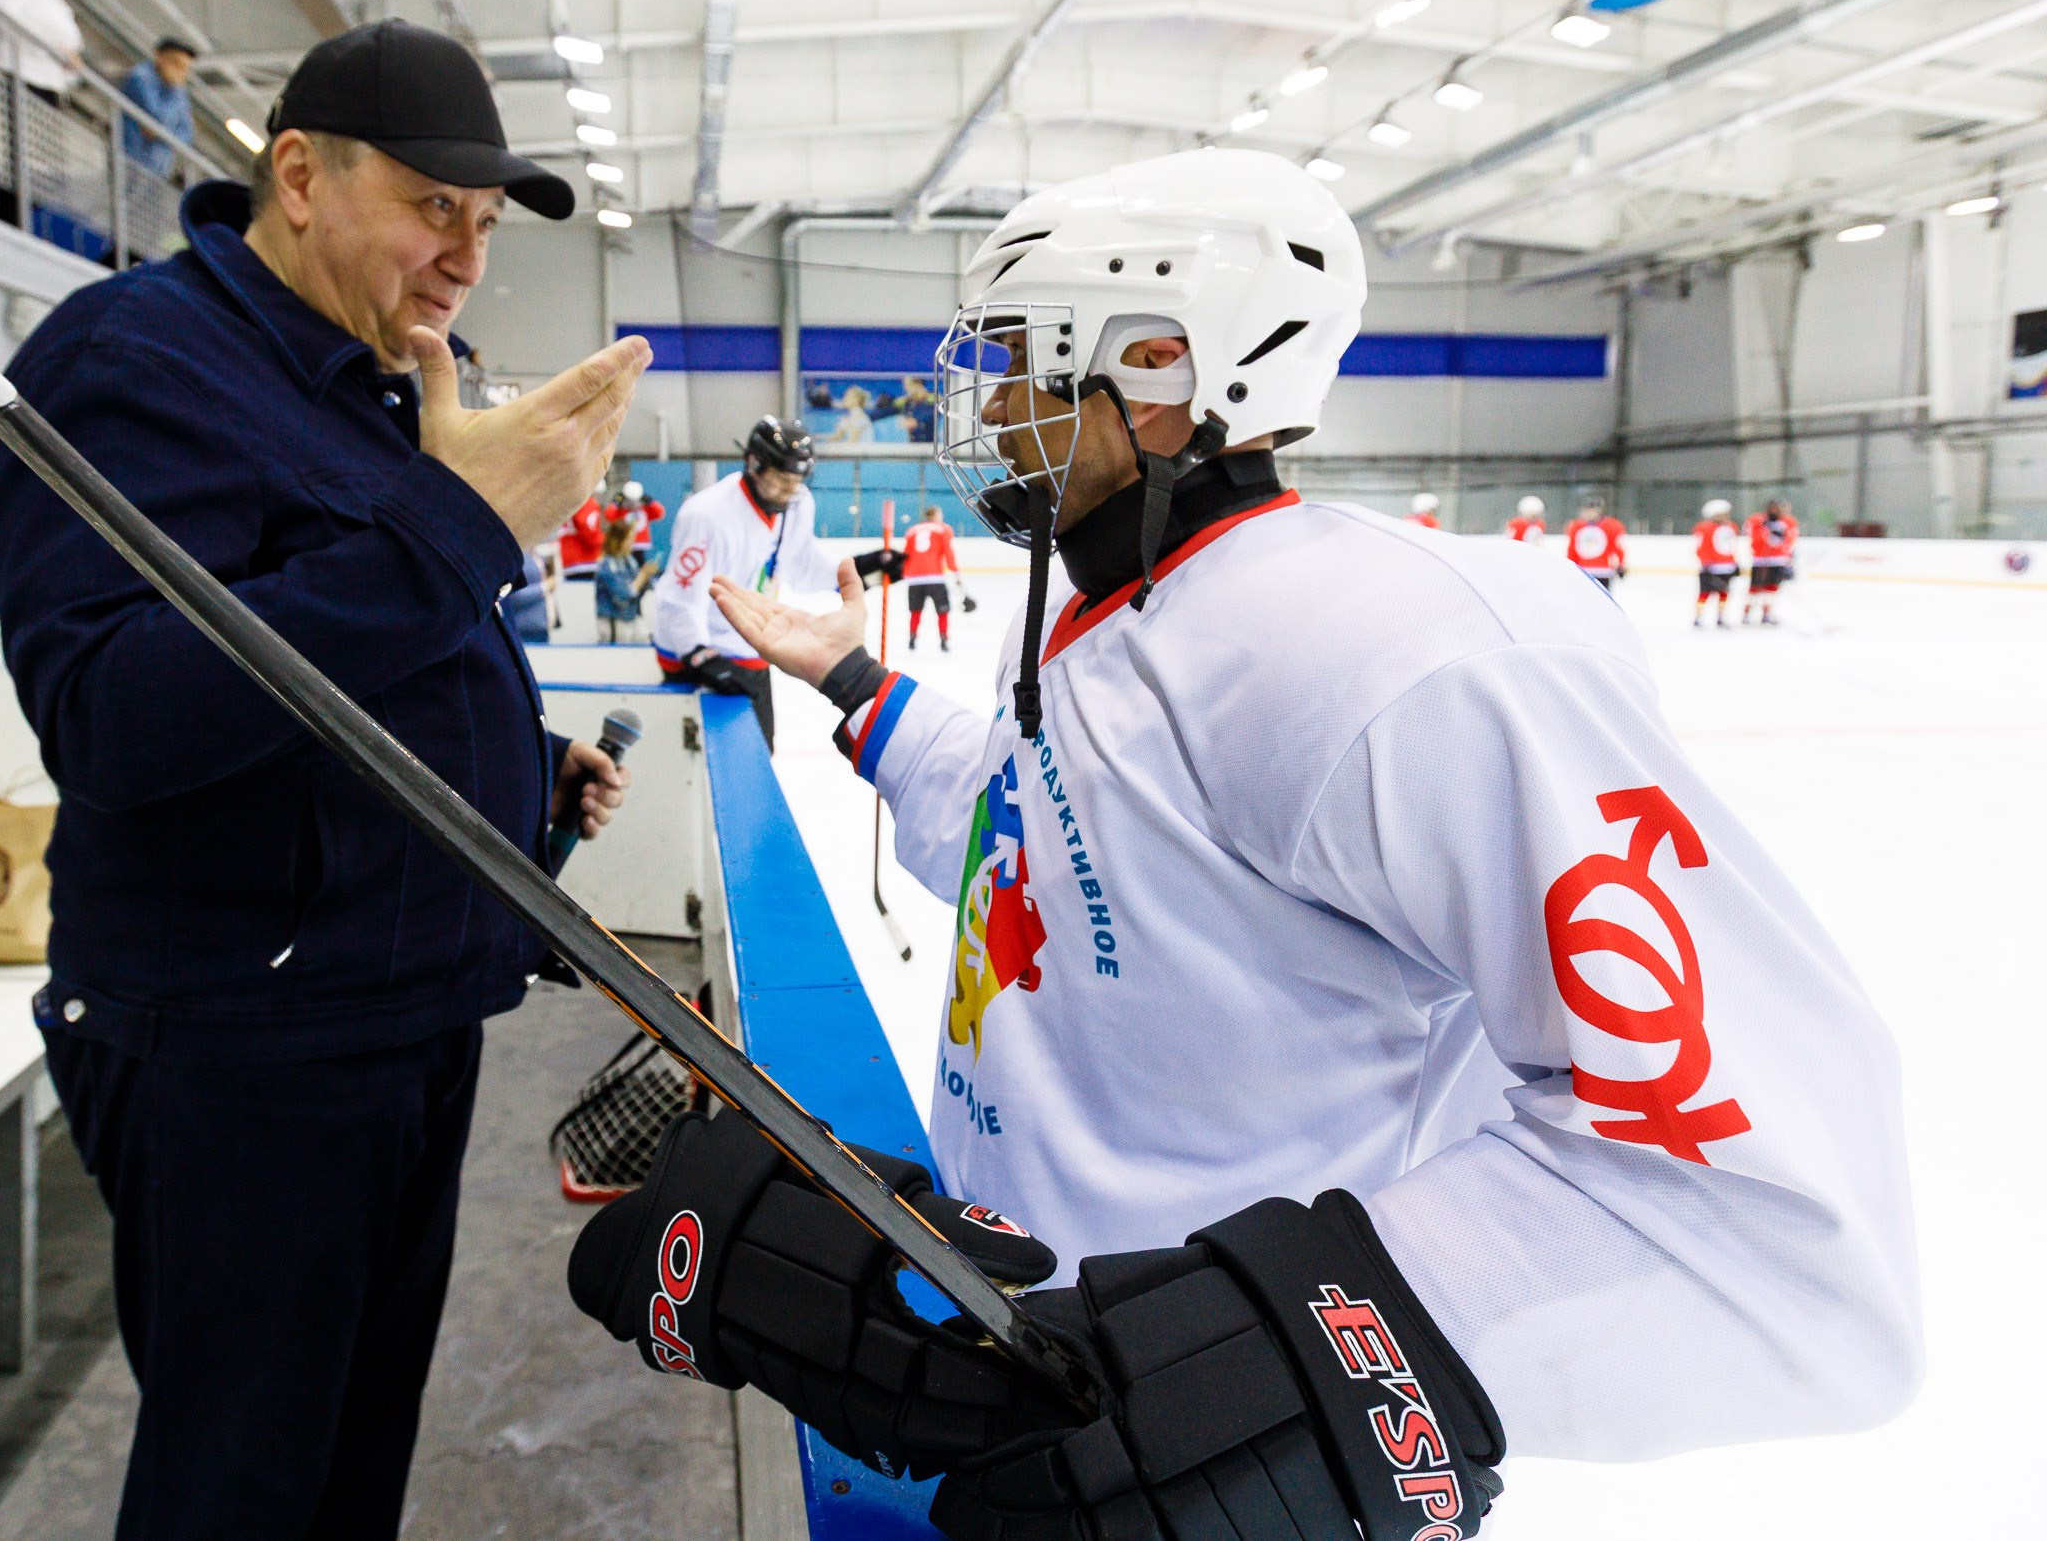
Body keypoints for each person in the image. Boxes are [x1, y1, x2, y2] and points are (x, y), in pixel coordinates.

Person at [565, 149, 1915, 1540]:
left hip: (1223, 1476)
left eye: (1024, 360)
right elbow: (1033, 849)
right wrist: (853, 680)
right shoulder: (1112, 602)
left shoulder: (1409, 652)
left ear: (1157, 369)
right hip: (1033, 1384)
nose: (992, 405)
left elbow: (1757, 1199)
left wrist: (1247, 1373)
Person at [0, 19, 650, 1539]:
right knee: (244, 1484)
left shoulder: (373, 380)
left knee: (349, 1463)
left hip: (396, 1012)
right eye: (431, 206)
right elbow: (115, 714)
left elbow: (353, 662)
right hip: (248, 1050)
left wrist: (510, 770)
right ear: (297, 175)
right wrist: (463, 526)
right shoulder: (131, 364)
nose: (464, 257)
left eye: (485, 223)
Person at [647, 417, 898, 749]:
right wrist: (698, 655)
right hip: (695, 656)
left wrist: (861, 569)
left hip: (752, 645)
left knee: (761, 751)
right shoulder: (706, 515)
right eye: (781, 480)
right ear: (754, 465)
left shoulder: (797, 503)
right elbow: (680, 596)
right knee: (707, 762)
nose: (789, 491)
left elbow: (802, 565)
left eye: (796, 481)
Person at [120, 36, 198, 175]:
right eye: (176, 64)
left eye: (184, 68)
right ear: (159, 57)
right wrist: (169, 135)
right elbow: (157, 116)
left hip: (157, 170)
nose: (180, 72)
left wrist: (159, 134)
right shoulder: (140, 77)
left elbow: (187, 134)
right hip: (129, 159)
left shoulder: (179, 93)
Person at [900, 503, 961, 650]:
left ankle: (912, 639)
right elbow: (948, 552)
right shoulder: (943, 529)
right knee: (942, 611)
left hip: (914, 579)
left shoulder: (912, 530)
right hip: (935, 578)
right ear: (934, 516)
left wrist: (905, 574)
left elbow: (905, 555)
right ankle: (944, 640)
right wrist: (956, 573)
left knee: (915, 611)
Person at [593, 517, 660, 643]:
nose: (633, 542)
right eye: (629, 539)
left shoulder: (630, 561)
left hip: (631, 618)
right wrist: (642, 576)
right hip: (614, 621)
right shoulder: (607, 565)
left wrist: (647, 577)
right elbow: (623, 596)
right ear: (618, 540)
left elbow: (638, 592)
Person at [1744, 498, 1799, 626]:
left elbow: (1790, 539)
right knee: (1754, 588)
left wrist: (1787, 556)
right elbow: (1752, 537)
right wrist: (1764, 529)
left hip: (1778, 560)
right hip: (1760, 560)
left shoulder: (1789, 521)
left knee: (1771, 589)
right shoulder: (1757, 520)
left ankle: (1766, 613)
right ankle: (1746, 613)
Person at [1693, 497, 1742, 628]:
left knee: (1724, 594)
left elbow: (1730, 546)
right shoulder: (1704, 528)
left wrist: (1733, 562)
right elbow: (1700, 547)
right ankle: (1698, 617)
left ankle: (1720, 616)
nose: (1725, 517)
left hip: (1726, 567)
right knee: (1704, 593)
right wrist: (1705, 562)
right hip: (1710, 567)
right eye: (1721, 514)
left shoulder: (1731, 527)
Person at [1566, 497, 1625, 595]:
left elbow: (1617, 547)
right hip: (1583, 571)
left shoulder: (1611, 526)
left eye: (1592, 510)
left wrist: (1621, 564)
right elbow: (1572, 549)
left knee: (1602, 599)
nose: (1589, 513)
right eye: (1586, 510)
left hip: (1603, 572)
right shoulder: (1576, 527)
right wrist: (1570, 566)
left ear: (1600, 511)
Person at [606, 478, 665, 565]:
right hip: (624, 545)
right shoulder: (622, 512)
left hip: (641, 545)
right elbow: (609, 515)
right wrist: (616, 502)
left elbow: (659, 513)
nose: (633, 504)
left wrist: (651, 502)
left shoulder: (645, 510)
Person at [557, 492, 606, 579]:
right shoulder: (587, 503)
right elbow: (587, 529)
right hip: (585, 560)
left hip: (569, 560)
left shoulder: (568, 502)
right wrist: (603, 541)